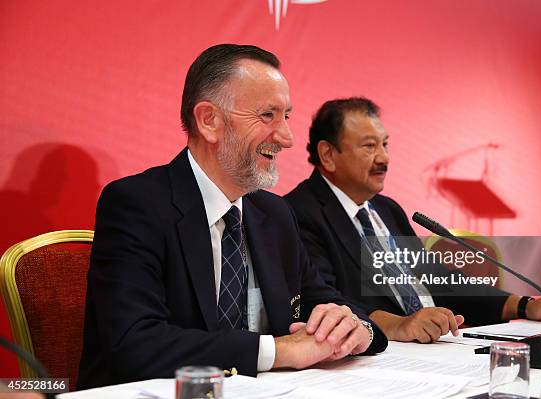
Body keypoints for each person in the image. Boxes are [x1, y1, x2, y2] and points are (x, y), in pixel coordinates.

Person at [78, 47, 386, 389]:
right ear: (209, 120)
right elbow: (134, 343)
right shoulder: (138, 204)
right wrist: (278, 351)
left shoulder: (275, 214)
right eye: (268, 115)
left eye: (287, 116)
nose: (287, 138)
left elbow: (331, 301)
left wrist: (356, 329)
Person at [284, 97, 541, 344]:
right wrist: (400, 325)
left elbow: (439, 281)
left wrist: (524, 305)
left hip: (441, 343)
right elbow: (323, 300)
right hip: (382, 354)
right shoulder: (299, 213)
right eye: (369, 146)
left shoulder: (386, 209)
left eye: (385, 144)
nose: (384, 158)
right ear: (328, 155)